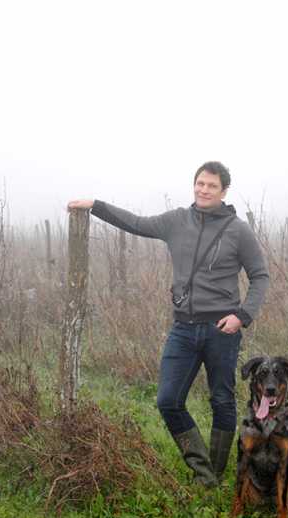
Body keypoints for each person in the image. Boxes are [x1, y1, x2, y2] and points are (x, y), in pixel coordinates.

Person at [67, 161, 269, 487]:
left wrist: (242, 316)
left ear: (224, 191)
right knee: (168, 400)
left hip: (222, 329)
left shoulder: (237, 230)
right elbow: (136, 222)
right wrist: (96, 206)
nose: (204, 190)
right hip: (183, 328)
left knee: (221, 398)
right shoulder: (176, 220)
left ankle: (213, 475)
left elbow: (260, 276)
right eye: (200, 183)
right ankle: (203, 469)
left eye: (212, 186)